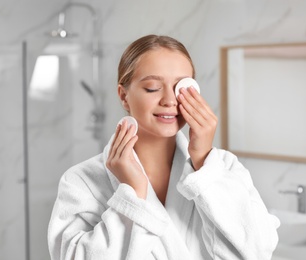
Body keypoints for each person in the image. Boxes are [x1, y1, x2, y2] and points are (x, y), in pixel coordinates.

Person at [48, 34, 280, 260]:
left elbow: (257, 251)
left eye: (181, 88)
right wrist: (133, 195)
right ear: (124, 96)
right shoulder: (82, 181)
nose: (170, 101)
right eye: (152, 88)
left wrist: (203, 164)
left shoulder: (223, 168)